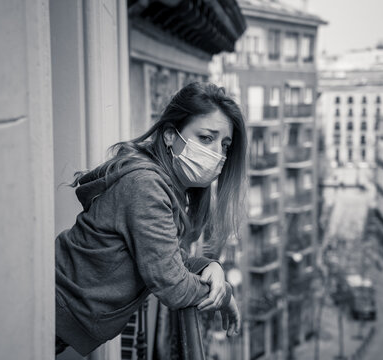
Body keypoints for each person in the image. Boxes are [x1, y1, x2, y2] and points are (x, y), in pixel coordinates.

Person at [55, 82, 247, 356]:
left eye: (225, 145)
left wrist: (209, 265)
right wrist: (222, 294)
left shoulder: (165, 187)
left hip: (59, 321)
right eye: (206, 138)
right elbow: (173, 286)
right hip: (48, 314)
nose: (218, 153)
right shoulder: (146, 186)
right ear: (170, 135)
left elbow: (168, 259)